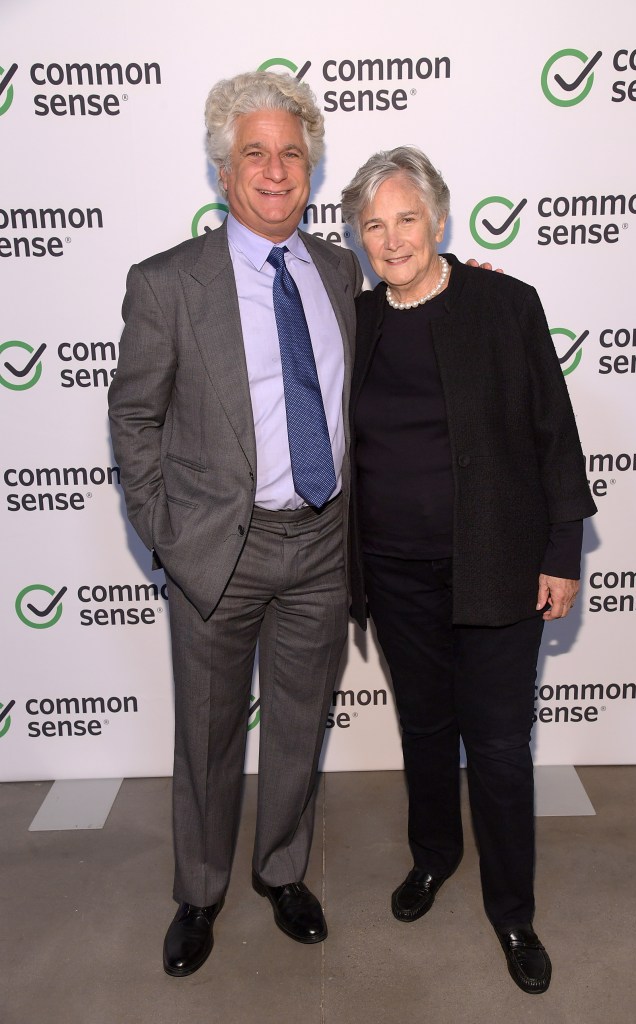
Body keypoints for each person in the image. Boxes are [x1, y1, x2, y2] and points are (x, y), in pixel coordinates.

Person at [108, 71, 363, 977]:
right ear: (224, 170)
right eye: (254, 152)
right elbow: (135, 418)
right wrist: (167, 534)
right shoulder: (168, 283)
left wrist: (466, 288)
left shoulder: (338, 267)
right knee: (208, 733)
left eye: (291, 152)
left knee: (300, 724)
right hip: (221, 547)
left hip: (325, 542)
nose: (275, 169)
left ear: (311, 167)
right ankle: (201, 889)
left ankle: (282, 871)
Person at [341, 146, 597, 995]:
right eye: (372, 225)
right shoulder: (357, 320)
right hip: (394, 570)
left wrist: (561, 551)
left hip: (495, 567)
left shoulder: (504, 303)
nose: (391, 238)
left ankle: (512, 910)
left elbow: (552, 433)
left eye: (405, 218)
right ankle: (432, 858)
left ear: (439, 221)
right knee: (422, 732)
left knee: (494, 745)